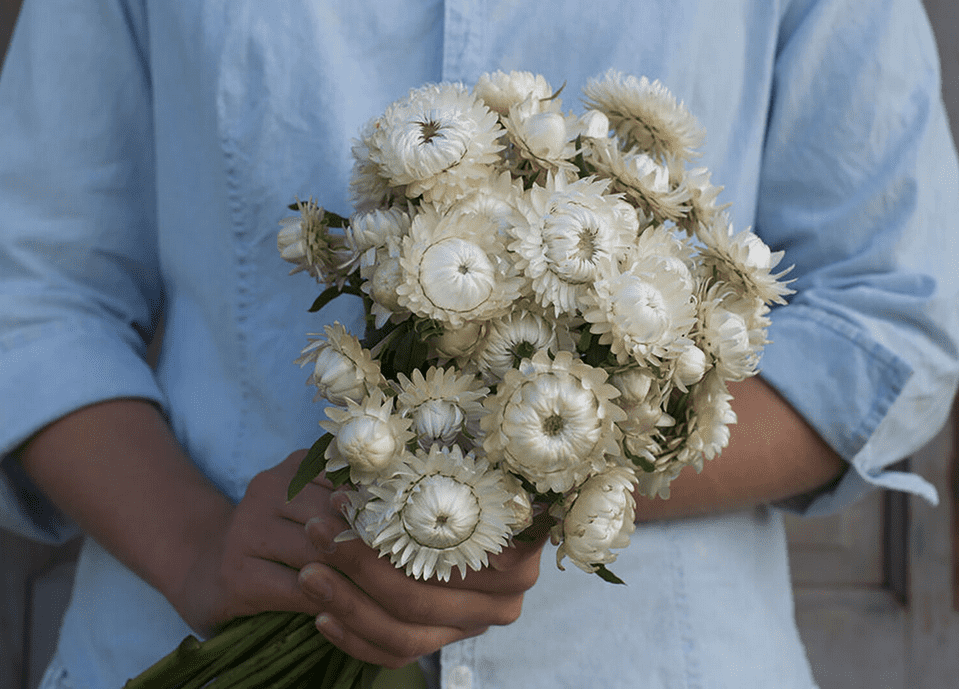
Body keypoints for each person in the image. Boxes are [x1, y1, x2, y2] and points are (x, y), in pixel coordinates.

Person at [1, 0, 957, 687]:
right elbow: (33, 291)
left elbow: (888, 316)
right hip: (191, 632)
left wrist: (528, 489)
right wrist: (192, 545)